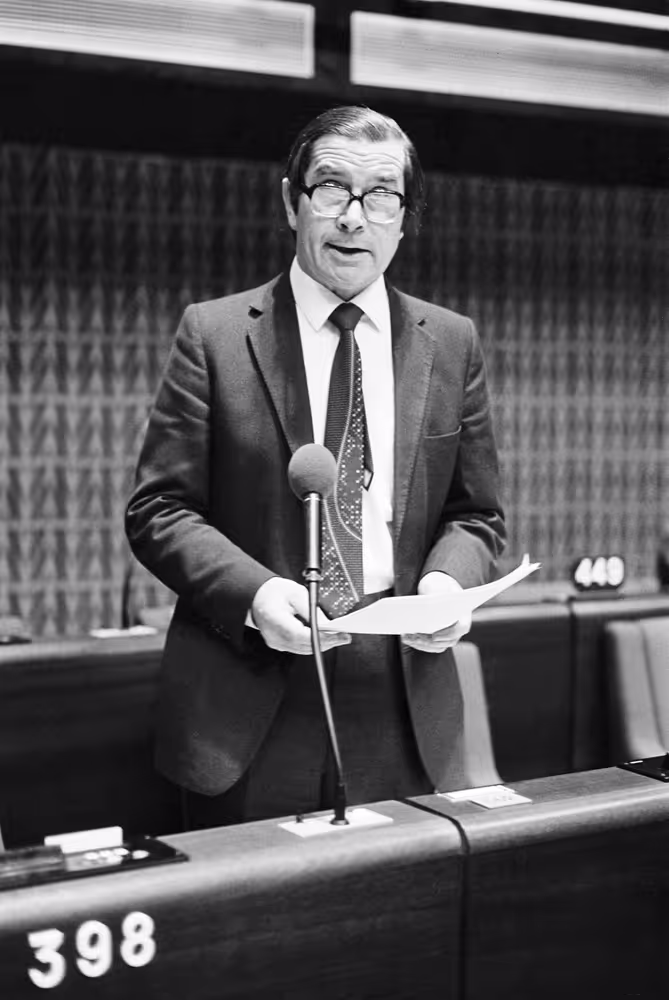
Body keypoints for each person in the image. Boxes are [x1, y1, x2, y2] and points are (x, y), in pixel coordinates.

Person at [126, 105, 505, 830]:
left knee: (405, 927)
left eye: (381, 196)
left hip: (403, 698)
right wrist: (258, 593)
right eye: (331, 189)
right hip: (250, 701)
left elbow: (476, 513)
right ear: (291, 201)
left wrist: (445, 583)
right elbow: (159, 509)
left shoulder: (450, 342)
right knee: (250, 933)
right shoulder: (213, 334)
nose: (353, 218)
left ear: (403, 217)